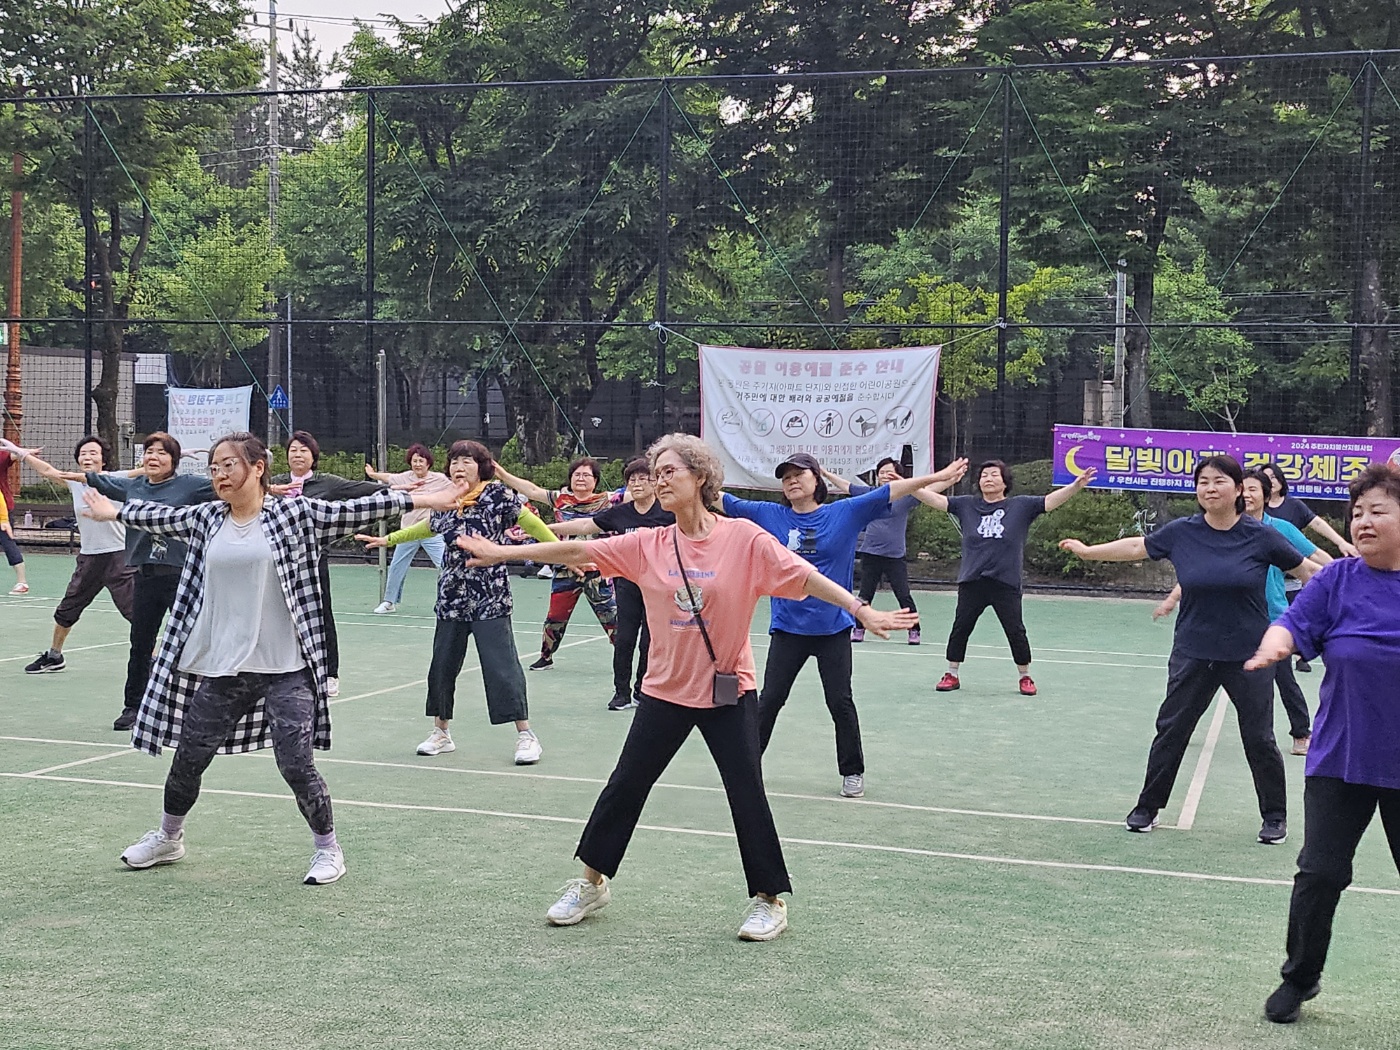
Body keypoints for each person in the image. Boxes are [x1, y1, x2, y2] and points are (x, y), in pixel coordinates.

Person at [458, 433, 916, 941]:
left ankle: (770, 900)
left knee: (747, 793)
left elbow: (803, 576)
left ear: (700, 477)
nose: (659, 480)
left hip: (728, 692)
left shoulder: (744, 539)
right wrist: (501, 553)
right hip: (664, 692)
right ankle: (591, 882)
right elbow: (582, 547)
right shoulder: (647, 543)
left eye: (670, 471)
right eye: (656, 472)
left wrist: (859, 609)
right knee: (625, 786)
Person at [82, 431, 466, 885]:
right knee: (188, 756)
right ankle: (169, 837)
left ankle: (328, 849)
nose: (220, 475)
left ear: (258, 468)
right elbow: (163, 516)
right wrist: (116, 511)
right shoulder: (207, 518)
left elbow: (358, 508)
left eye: (229, 465)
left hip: (287, 667)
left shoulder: (294, 515)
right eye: (214, 468)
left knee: (295, 761)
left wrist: (427, 500)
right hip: (227, 667)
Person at [1059, 454, 1315, 842]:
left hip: (1248, 655)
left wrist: (1310, 619)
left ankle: (1274, 816)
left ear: (1238, 489)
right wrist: (1088, 550)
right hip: (1194, 652)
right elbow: (1137, 547)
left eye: (1219, 481)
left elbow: (1307, 572)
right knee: (1172, 730)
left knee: (1259, 738)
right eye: (1203, 482)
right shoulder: (1183, 532)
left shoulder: (1261, 536)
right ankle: (1147, 808)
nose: (1210, 488)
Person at [1245, 463, 1400, 1025]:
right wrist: (1275, 642)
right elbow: (1292, 623)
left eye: (1378, 511)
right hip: (1341, 758)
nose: (1363, 522)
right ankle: (1300, 978)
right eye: (1357, 513)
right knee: (1320, 874)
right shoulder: (1337, 580)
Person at [723, 453, 966, 799]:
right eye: (786, 477)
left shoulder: (845, 512)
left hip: (833, 629)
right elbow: (719, 499)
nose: (792, 481)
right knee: (771, 700)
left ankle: (852, 771)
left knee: (840, 702)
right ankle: (747, 769)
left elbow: (893, 491)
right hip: (788, 629)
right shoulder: (768, 514)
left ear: (817, 480)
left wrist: (937, 475)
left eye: (799, 474)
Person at [355, 440, 556, 764]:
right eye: (455, 462)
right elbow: (425, 527)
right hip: (451, 597)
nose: (459, 468)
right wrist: (388, 539)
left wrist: (564, 554)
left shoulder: (498, 496)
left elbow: (533, 525)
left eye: (467, 461)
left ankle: (525, 735)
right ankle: (441, 732)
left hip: (490, 597)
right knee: (442, 666)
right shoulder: (446, 500)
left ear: (482, 466)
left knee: (502, 668)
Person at [1156, 469, 1333, 755]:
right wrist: (1172, 598)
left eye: (1254, 489)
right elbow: (1201, 572)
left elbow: (1312, 562)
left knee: (1284, 684)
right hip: (1221, 633)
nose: (1249, 495)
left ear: (1266, 495)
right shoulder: (1212, 532)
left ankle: (1301, 733)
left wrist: (1343, 570)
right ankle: (1178, 730)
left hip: (1273, 622)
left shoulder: (1277, 530)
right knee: (1184, 703)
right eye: (1246, 489)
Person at [922, 459, 1097, 696]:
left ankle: (1025, 676)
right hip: (972, 581)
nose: (988, 478)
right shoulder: (965, 505)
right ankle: (951, 673)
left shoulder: (1021, 505)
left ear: (1005, 482)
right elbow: (934, 499)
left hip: (1006, 582)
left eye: (994, 474)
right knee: (960, 627)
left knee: (1015, 630)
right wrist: (907, 485)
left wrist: (1076, 486)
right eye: (984, 475)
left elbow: (1050, 501)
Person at [85, 432, 216, 731]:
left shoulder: (190, 486)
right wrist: (42, 464)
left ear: (174, 460)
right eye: (149, 452)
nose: (153, 457)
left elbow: (230, 489)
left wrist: (268, 486)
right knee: (140, 644)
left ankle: (198, 707)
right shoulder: (133, 486)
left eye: (161, 453)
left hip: (182, 577)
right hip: (145, 577)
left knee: (192, 643)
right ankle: (134, 706)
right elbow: (91, 479)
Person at [546, 456, 676, 710]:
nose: (637, 484)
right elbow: (586, 524)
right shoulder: (621, 513)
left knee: (650, 641)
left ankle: (642, 691)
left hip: (659, 587)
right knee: (624, 639)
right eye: (632, 480)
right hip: (626, 583)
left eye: (643, 479)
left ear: (655, 483)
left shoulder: (668, 513)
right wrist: (546, 527)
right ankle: (621, 693)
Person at [3, 437, 138, 672]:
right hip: (89, 558)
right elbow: (47, 470)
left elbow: (147, 471)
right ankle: (55, 656)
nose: (88, 457)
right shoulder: (75, 482)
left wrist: (174, 455)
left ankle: (154, 659)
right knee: (67, 609)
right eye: (83, 453)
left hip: (119, 557)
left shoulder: (116, 478)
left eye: (93, 453)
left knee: (136, 612)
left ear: (103, 459)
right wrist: (21, 454)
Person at [271, 430, 389, 698]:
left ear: (313, 457)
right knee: (278, 614)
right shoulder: (276, 484)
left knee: (322, 613)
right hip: (279, 560)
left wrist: (402, 487)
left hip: (314, 559)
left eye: (303, 450)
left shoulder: (326, 483)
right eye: (293, 450)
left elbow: (360, 488)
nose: (297, 454)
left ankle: (329, 673)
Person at [494, 458, 621, 670]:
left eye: (586, 475)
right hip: (565, 568)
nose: (580, 479)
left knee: (611, 615)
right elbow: (532, 490)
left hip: (598, 569)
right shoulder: (560, 499)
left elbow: (635, 495)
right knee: (555, 617)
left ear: (596, 480)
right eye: (576, 475)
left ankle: (624, 656)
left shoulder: (607, 500)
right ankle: (546, 657)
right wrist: (502, 474)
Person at [822, 456, 956, 644]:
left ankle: (914, 629)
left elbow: (931, 490)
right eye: (882, 473)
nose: (885, 476)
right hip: (871, 553)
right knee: (865, 595)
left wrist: (952, 478)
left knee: (903, 594)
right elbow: (846, 486)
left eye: (889, 472)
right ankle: (859, 628)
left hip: (895, 556)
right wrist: (825, 473)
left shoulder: (907, 496)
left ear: (899, 476)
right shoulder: (869, 494)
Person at [1257, 461, 1357, 674]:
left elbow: (1315, 539)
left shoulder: (1284, 520)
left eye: (1273, 477)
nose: (1270, 482)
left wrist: (1342, 546)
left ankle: (1302, 654)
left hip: (1289, 580)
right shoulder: (1239, 523)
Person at [363, 443, 455, 614]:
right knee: (397, 566)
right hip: (407, 531)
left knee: (447, 564)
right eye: (414, 461)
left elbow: (457, 487)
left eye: (421, 461)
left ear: (428, 463)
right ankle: (389, 602)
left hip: (430, 531)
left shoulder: (440, 479)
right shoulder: (405, 477)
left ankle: (453, 598)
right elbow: (390, 478)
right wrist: (372, 474)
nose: (417, 464)